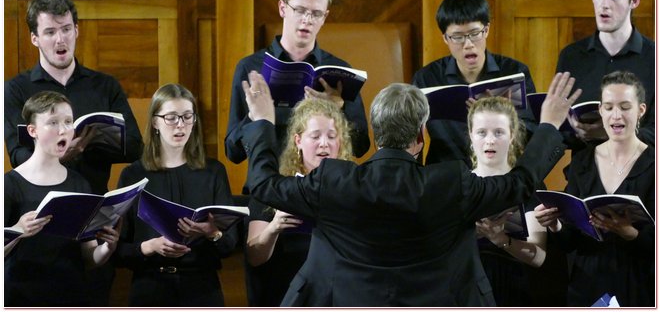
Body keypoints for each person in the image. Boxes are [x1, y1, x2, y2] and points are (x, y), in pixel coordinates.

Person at [239, 70, 579, 306]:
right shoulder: (451, 182)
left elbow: (264, 184)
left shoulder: (334, 180)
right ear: (420, 138)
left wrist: (263, 122)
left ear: (374, 134)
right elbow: (520, 184)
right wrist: (548, 124)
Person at [4, 0, 143, 305]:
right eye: (50, 32)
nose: (60, 39)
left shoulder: (103, 85)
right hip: (33, 230)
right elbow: (18, 155)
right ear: (34, 38)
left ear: (77, 30)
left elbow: (134, 146)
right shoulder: (16, 89)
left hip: (89, 219)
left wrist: (89, 142)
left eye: (66, 29)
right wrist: (66, 152)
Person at [225, 0, 370, 170]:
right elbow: (233, 153)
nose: (307, 20)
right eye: (300, 10)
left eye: (316, 13)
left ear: (325, 17)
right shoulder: (250, 68)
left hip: (322, 188)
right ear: (283, 8)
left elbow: (361, 147)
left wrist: (338, 109)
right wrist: (254, 117)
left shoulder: (341, 72)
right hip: (269, 185)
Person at [534, 71, 654, 307]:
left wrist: (631, 233)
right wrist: (555, 224)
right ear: (600, 110)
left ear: (640, 110)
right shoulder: (582, 162)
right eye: (608, 107)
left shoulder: (655, 164)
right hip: (588, 285)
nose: (616, 115)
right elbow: (571, 240)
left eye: (624, 107)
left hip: (640, 285)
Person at [112, 83, 238, 307]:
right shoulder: (133, 175)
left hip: (202, 287)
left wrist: (212, 233)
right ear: (155, 122)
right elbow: (116, 250)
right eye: (171, 117)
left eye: (187, 116)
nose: (180, 125)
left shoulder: (213, 172)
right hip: (150, 286)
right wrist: (149, 247)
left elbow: (230, 244)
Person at [4, 91, 120, 306]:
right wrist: (19, 231)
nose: (63, 129)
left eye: (68, 122)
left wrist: (107, 248)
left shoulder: (79, 184)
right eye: (53, 122)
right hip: (21, 296)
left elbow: (89, 257)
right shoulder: (10, 184)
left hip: (70, 295)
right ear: (33, 131)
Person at [245, 98, 354, 306]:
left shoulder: (352, 189)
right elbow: (254, 256)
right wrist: (274, 229)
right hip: (286, 294)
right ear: (298, 141)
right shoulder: (275, 190)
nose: (324, 143)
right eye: (315, 136)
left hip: (336, 296)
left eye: (332, 136)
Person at [412, 0, 537, 166]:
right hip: (447, 174)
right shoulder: (427, 78)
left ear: (486, 30)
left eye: (474, 34)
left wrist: (499, 114)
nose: (468, 44)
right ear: (445, 38)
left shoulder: (513, 72)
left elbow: (531, 133)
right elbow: (412, 137)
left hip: (502, 173)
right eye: (457, 37)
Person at [555, 0, 654, 150]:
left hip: (639, 174)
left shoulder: (654, 58)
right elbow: (560, 130)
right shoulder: (571, 56)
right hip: (584, 173)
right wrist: (573, 130)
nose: (604, 5)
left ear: (634, 1)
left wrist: (612, 132)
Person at [467, 97, 548, 306]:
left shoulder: (528, 186)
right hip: (468, 290)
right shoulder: (460, 185)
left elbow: (538, 257)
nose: (490, 140)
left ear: (512, 136)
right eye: (482, 132)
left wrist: (500, 238)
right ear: (470, 135)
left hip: (515, 289)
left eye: (499, 132)